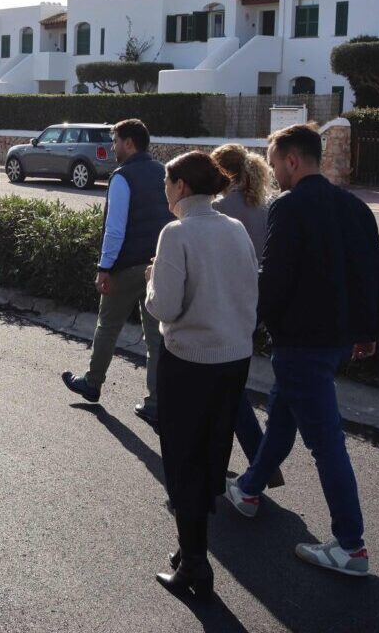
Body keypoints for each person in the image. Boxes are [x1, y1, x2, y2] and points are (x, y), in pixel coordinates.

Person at [225, 124, 379, 577]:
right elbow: (374, 273)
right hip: (336, 343)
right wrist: (368, 330)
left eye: (275, 162)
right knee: (282, 415)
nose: (273, 171)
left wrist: (246, 323)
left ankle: (351, 546)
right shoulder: (354, 206)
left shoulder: (289, 207)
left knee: (326, 442)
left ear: (293, 160)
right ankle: (250, 489)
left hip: (302, 344)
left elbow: (274, 279)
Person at [145, 151, 259, 598]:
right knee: (213, 452)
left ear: (183, 188)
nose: (165, 192)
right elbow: (251, 290)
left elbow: (165, 306)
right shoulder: (235, 229)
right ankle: (190, 547)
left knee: (182, 459)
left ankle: (195, 563)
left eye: (168, 183)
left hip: (189, 359)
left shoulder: (176, 233)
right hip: (234, 358)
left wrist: (153, 281)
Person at [62, 119, 173, 423]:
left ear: (129, 143)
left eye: (116, 141)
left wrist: (104, 268)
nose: (113, 148)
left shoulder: (122, 177)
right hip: (157, 266)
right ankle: (156, 403)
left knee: (108, 326)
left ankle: (92, 383)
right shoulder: (164, 172)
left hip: (125, 267)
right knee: (155, 339)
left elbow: (115, 229)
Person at [211, 144, 285, 489]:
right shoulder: (264, 204)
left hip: (230, 304)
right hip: (258, 303)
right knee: (228, 383)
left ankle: (260, 463)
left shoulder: (222, 208)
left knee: (225, 386)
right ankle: (259, 463)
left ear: (222, 173)